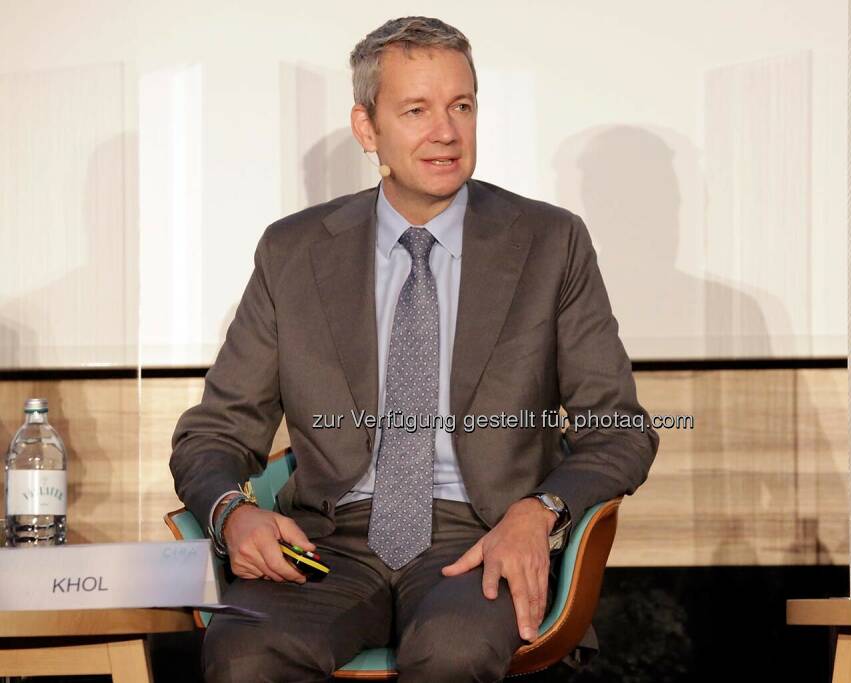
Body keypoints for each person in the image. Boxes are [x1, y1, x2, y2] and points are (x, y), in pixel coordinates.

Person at [170, 16, 658, 683]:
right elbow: (213, 433)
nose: (447, 133)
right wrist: (233, 513)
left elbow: (619, 429)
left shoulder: (549, 244)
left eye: (462, 106)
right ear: (367, 128)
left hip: (478, 539)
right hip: (330, 546)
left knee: (453, 649)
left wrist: (539, 511)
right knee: (245, 649)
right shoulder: (293, 253)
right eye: (417, 110)